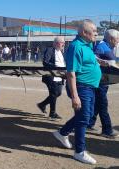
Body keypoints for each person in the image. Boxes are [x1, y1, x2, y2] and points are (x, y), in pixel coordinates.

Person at [52, 20, 101, 164]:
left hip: (90, 86)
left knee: (87, 115)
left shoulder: (88, 44)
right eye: (94, 31)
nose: (96, 34)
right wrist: (75, 96)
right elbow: (71, 73)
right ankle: (80, 151)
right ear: (84, 33)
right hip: (81, 87)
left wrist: (99, 61)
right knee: (84, 118)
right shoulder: (75, 47)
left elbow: (87, 60)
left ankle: (62, 133)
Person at [87, 29, 119, 138]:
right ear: (111, 38)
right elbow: (92, 57)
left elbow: (112, 61)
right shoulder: (101, 46)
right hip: (99, 82)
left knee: (97, 104)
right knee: (102, 105)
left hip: (104, 82)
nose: (118, 40)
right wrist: (101, 62)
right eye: (117, 38)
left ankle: (89, 123)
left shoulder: (108, 47)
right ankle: (107, 129)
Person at [37, 36, 65, 120]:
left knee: (58, 93)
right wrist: (55, 67)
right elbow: (45, 62)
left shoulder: (61, 52)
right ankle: (52, 113)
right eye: (62, 43)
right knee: (53, 94)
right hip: (51, 76)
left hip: (60, 76)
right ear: (56, 43)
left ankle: (42, 104)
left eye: (63, 43)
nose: (63, 44)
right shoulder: (50, 50)